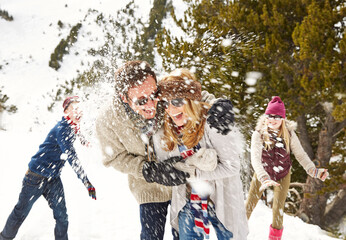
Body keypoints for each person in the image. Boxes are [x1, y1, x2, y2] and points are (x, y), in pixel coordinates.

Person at [95, 60, 235, 240]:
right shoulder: (107, 121)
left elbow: (191, 93)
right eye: (142, 101)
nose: (152, 104)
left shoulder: (163, 93)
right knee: (151, 236)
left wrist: (218, 105)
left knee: (186, 233)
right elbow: (114, 158)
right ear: (124, 98)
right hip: (149, 186)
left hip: (183, 180)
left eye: (154, 95)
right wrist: (148, 170)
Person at [152, 68, 248, 240]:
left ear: (191, 100)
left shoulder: (214, 122)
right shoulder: (166, 129)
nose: (171, 109)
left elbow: (232, 166)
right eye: (166, 103)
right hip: (189, 200)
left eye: (177, 101)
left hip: (221, 198)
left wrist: (195, 172)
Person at [0, 96, 96, 240]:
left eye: (80, 109)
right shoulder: (62, 129)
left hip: (53, 179)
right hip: (35, 177)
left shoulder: (71, 126)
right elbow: (72, 157)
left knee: (62, 216)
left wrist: (82, 139)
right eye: (74, 109)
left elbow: (75, 131)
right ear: (66, 111)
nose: (79, 112)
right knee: (20, 212)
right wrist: (86, 182)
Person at [245, 96, 329, 240]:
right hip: (262, 173)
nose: (273, 119)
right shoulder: (258, 134)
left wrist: (314, 171)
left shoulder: (289, 134)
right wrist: (264, 177)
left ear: (282, 119)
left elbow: (301, 155)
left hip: (282, 174)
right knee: (249, 206)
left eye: (277, 116)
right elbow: (255, 160)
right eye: (270, 116)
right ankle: (235, 234)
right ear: (266, 117)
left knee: (278, 210)